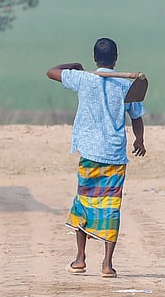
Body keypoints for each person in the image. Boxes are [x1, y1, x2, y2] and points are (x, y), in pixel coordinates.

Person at [46, 37, 146, 278]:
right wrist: (139, 140)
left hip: (90, 152)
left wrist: (75, 66)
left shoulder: (83, 79)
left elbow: (51, 72)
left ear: (94, 59)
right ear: (116, 59)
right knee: (111, 207)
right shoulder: (125, 86)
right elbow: (136, 117)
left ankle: (80, 258)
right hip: (114, 154)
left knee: (84, 202)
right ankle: (107, 264)